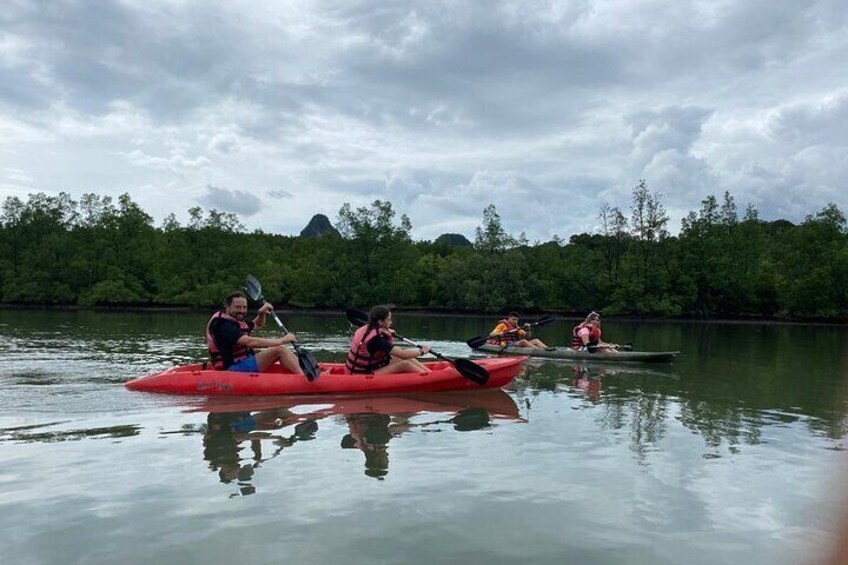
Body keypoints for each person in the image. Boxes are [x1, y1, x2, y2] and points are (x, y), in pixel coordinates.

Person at [206, 291, 303, 374]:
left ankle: (304, 370)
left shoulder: (235, 319)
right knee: (279, 350)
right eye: (238, 307)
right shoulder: (222, 324)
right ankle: (305, 378)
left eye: (244, 307)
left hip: (242, 362)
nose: (242, 310)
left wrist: (261, 313)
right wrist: (282, 340)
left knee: (281, 350)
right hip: (231, 369)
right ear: (227, 306)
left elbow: (257, 324)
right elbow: (250, 342)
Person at [346, 305, 432, 374]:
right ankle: (430, 379)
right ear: (380, 322)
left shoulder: (369, 327)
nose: (391, 322)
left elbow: (402, 355)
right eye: (389, 320)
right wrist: (422, 351)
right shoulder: (377, 340)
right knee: (404, 364)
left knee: (404, 358)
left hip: (368, 367)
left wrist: (385, 330)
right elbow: (403, 354)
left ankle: (430, 373)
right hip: (364, 373)